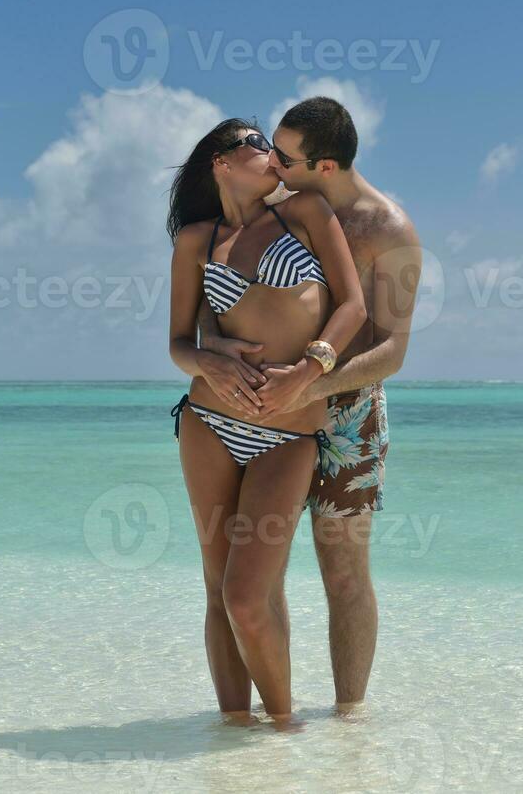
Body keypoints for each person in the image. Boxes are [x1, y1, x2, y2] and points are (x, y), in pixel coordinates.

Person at [197, 97, 422, 711]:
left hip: (347, 418)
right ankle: (275, 730)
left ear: (324, 167)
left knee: (343, 570)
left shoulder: (389, 231)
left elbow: (393, 352)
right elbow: (215, 288)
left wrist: (311, 380)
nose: (273, 160)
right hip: (268, 409)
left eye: (287, 156)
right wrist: (212, 347)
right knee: (253, 578)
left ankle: (348, 729)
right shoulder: (277, 204)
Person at [167, 118, 367, 725]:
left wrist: (309, 370)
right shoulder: (198, 240)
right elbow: (178, 345)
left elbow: (353, 306)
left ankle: (283, 728)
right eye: (256, 143)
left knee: (247, 596)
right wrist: (205, 358)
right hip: (208, 420)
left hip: (289, 432)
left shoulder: (303, 212)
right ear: (221, 164)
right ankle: (234, 739)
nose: (270, 153)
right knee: (214, 587)